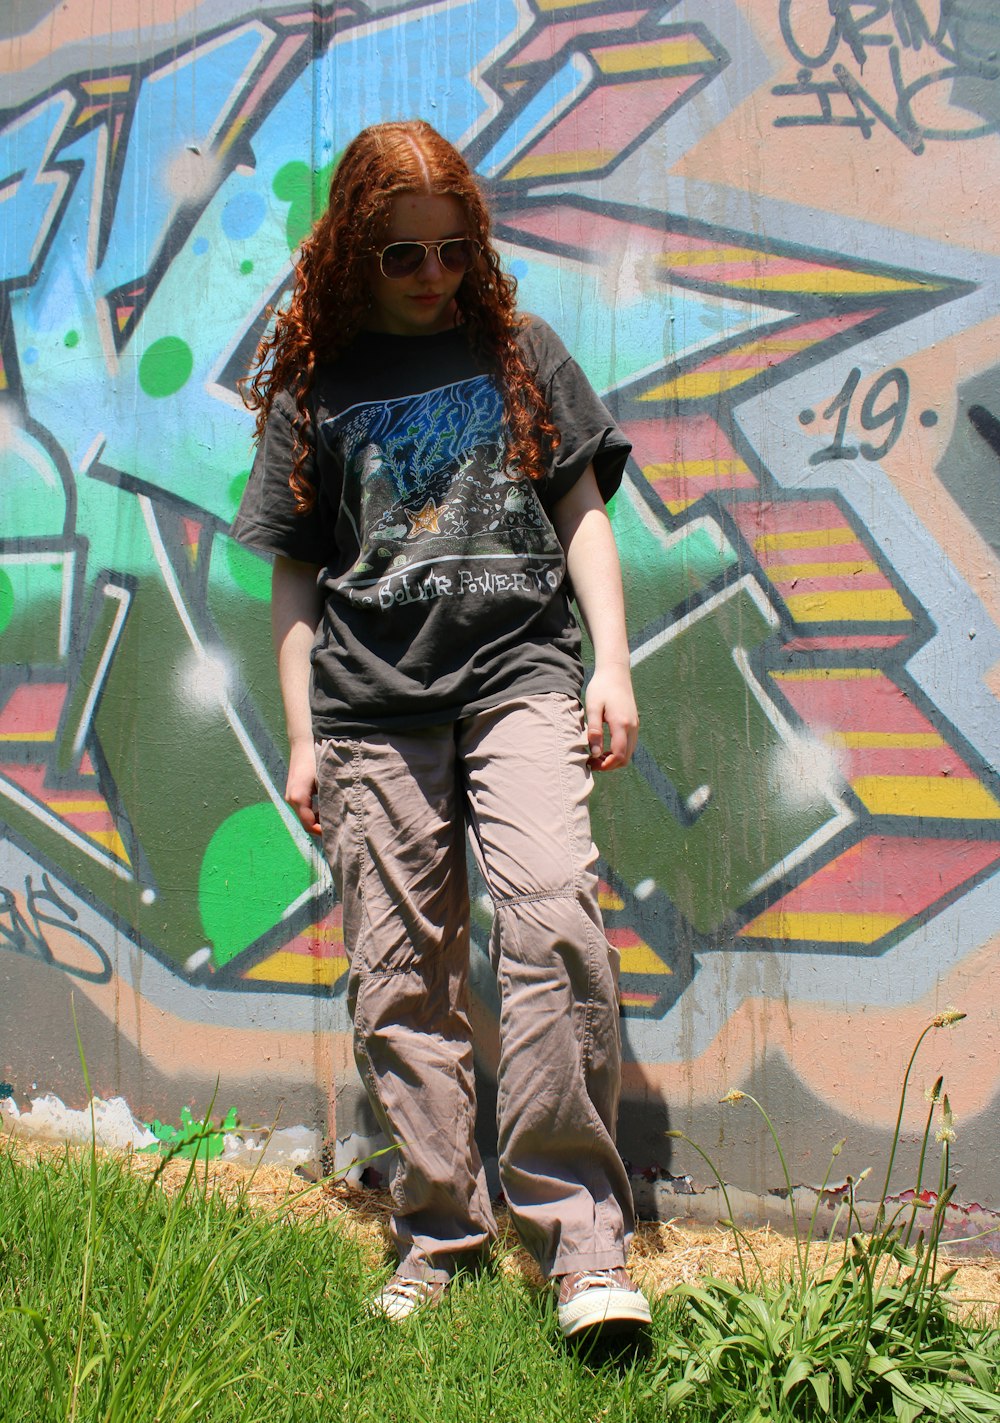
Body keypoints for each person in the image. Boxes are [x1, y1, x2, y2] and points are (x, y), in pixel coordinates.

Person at [233, 119, 650, 1338]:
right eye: (402, 257)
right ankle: (439, 1229)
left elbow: (581, 514)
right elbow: (299, 577)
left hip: (519, 674)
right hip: (369, 707)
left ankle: (581, 1241)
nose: (431, 280)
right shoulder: (316, 385)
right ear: (353, 255)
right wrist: (305, 735)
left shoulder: (521, 353)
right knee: (400, 978)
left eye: (451, 252)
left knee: (553, 915)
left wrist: (611, 662)